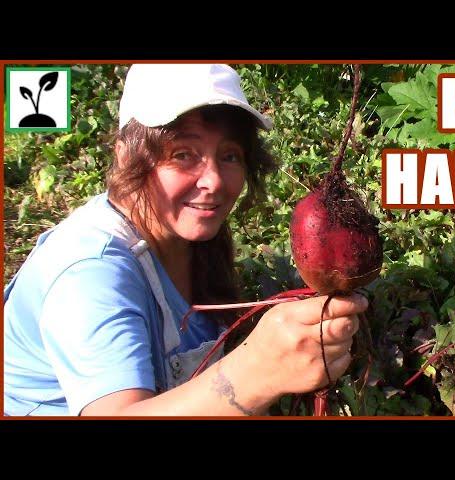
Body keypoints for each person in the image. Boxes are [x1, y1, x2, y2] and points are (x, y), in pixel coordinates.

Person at [3, 64, 367, 416]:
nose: (213, 182)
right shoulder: (90, 273)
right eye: (183, 154)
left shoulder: (190, 238)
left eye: (229, 155)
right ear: (125, 155)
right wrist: (258, 370)